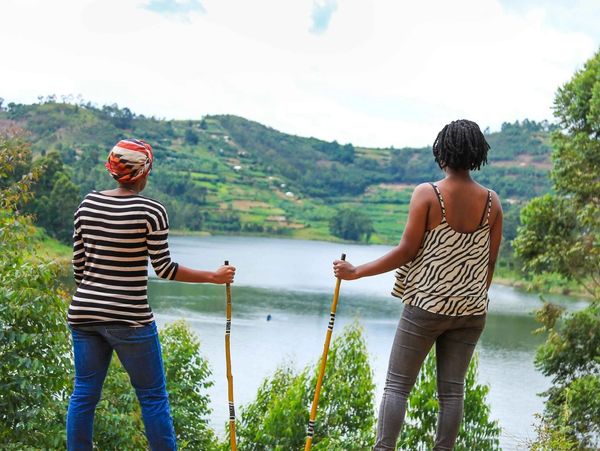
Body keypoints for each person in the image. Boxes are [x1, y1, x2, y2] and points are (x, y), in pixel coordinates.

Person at [333, 120, 503, 450]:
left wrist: (356, 272)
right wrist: (472, 298)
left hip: (426, 306)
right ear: (477, 153)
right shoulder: (492, 203)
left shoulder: (429, 194)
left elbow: (406, 251)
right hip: (471, 310)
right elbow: (490, 262)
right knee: (452, 390)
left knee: (397, 386)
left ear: (442, 151)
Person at [67, 138, 235, 450]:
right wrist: (214, 276)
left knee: (84, 393)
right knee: (153, 398)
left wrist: (96, 296)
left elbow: (79, 266)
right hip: (131, 318)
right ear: (143, 172)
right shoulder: (151, 211)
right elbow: (165, 269)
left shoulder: (87, 205)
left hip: (83, 313)